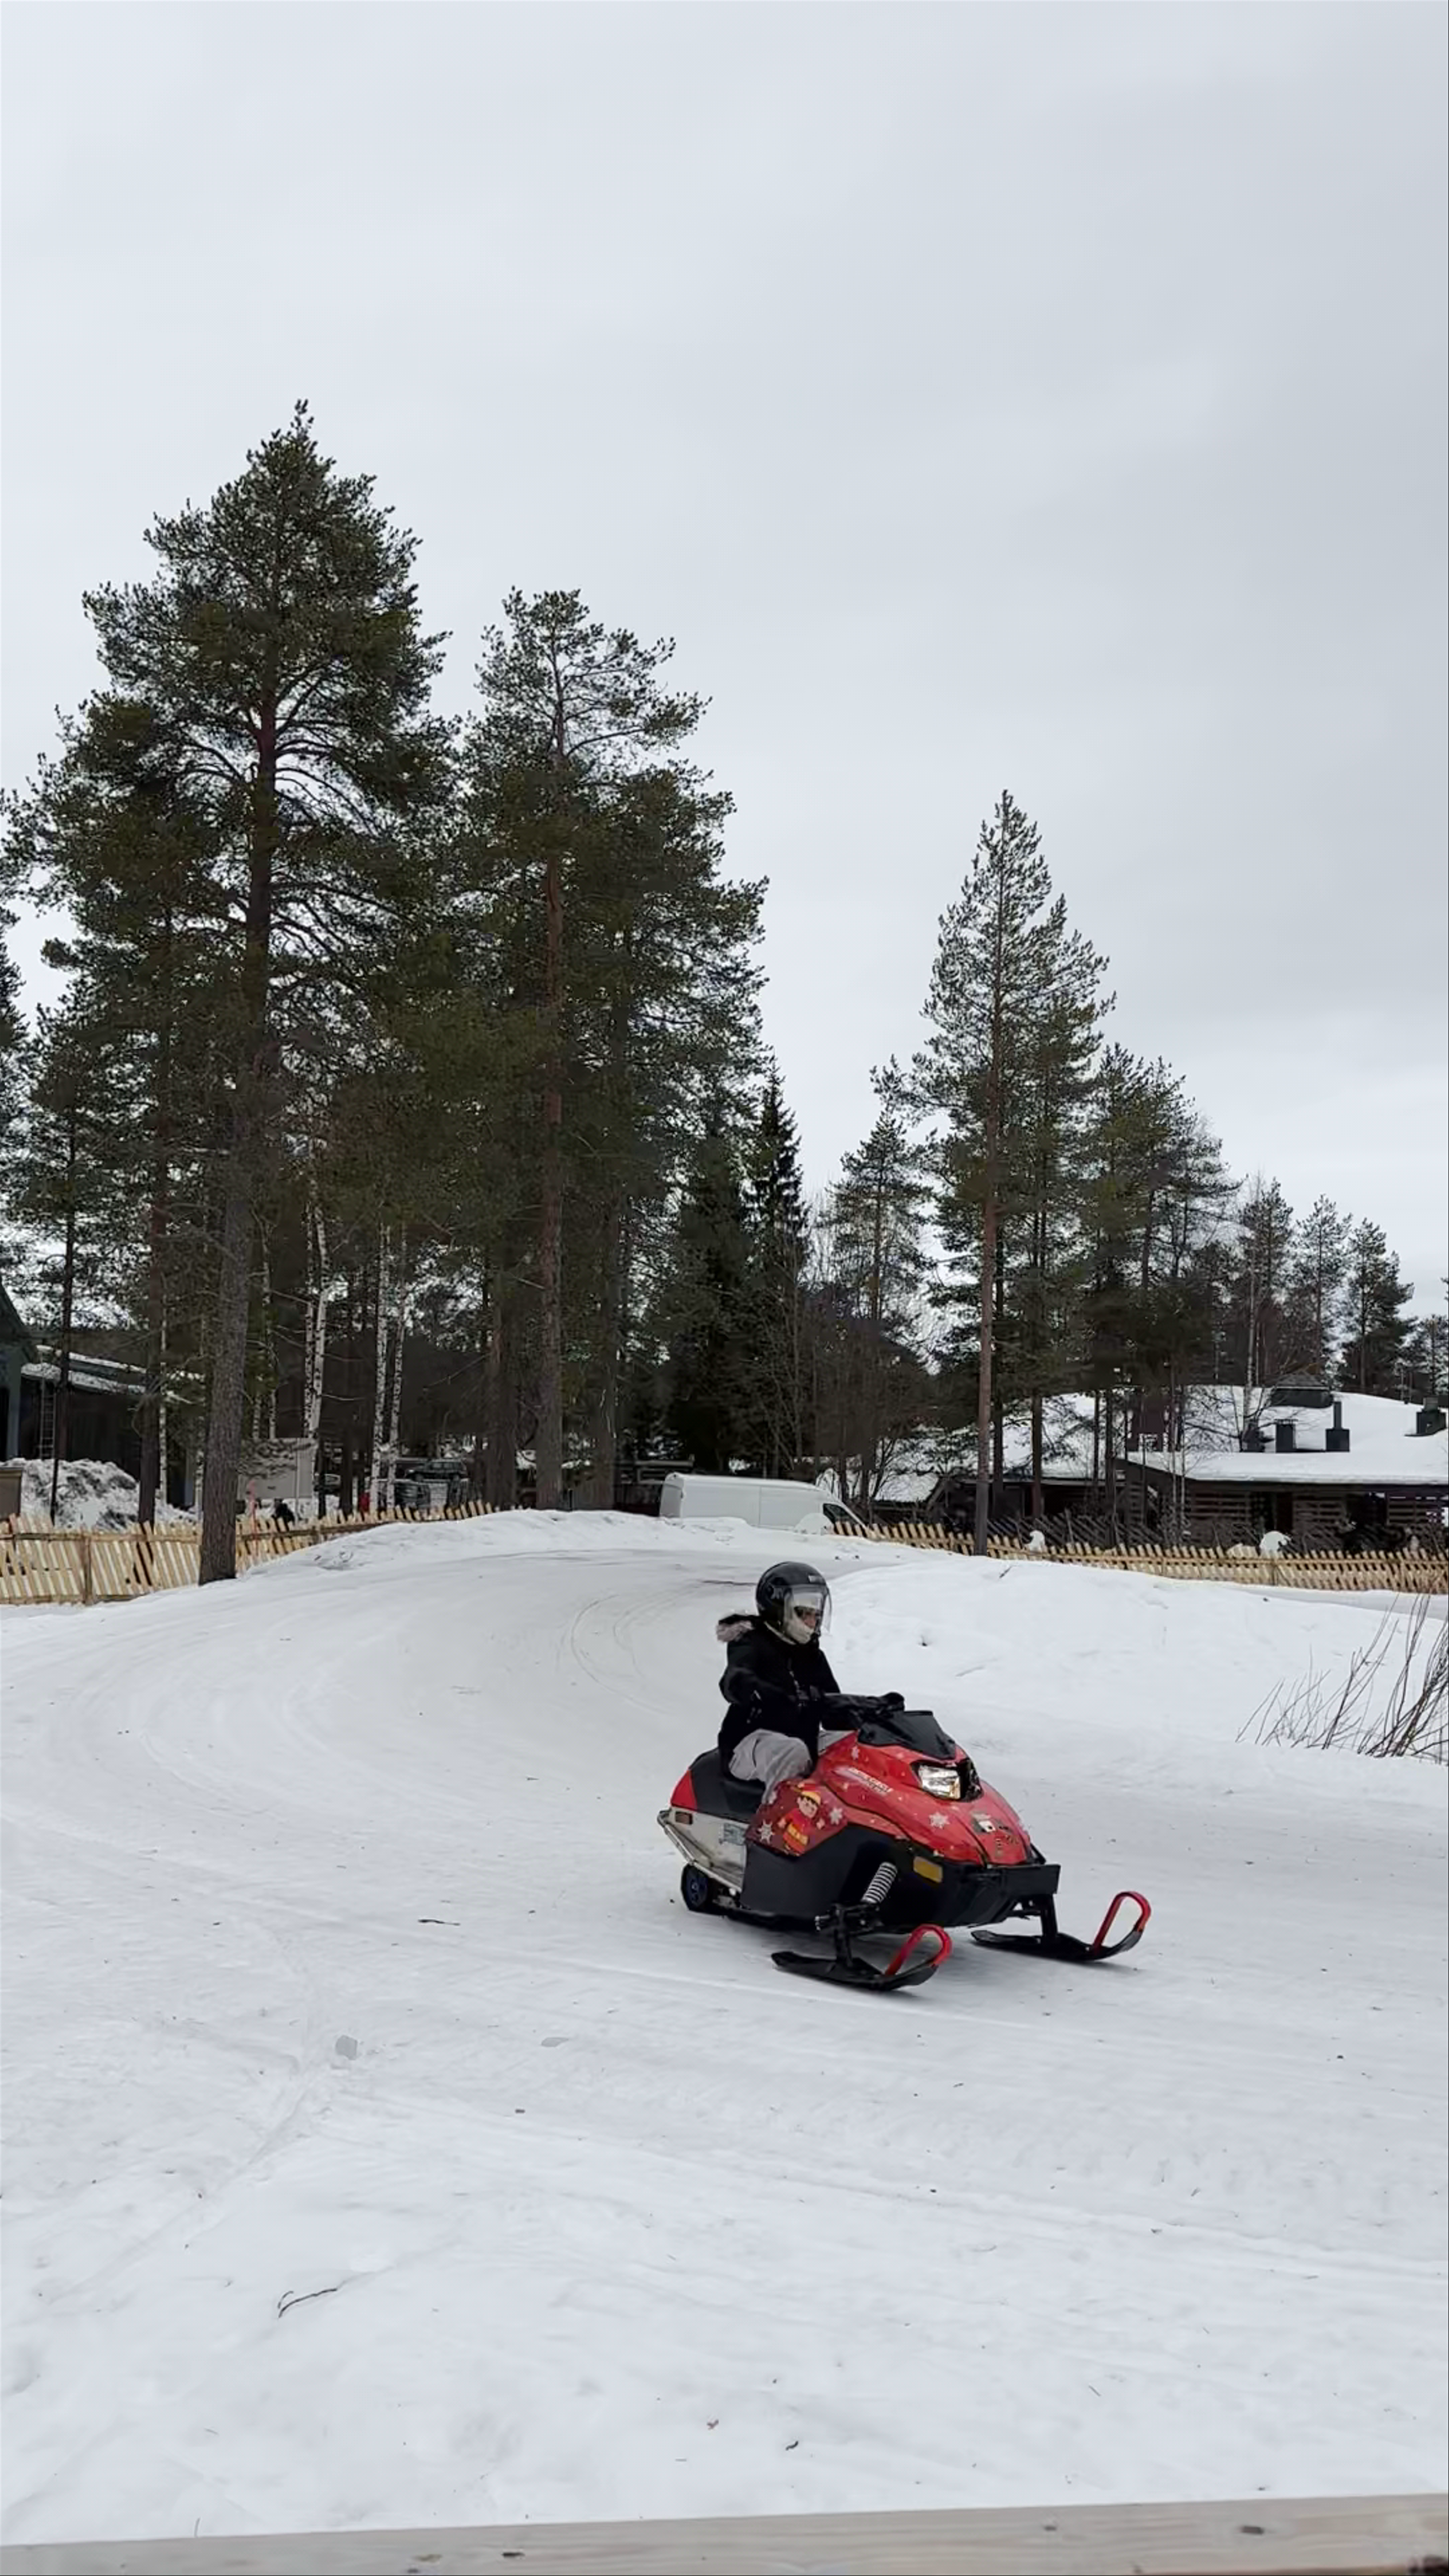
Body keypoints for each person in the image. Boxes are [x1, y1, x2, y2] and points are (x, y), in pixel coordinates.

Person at [717, 1561, 848, 1792]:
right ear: (779, 1608)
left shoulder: (812, 1655)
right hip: (748, 1744)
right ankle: (777, 1824)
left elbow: (833, 1708)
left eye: (816, 1614)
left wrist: (871, 1712)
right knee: (792, 1752)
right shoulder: (750, 1643)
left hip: (802, 1740)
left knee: (852, 1745)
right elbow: (735, 1679)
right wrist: (756, 1690)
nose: (812, 1622)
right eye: (804, 1613)